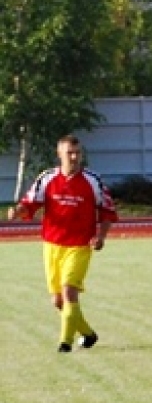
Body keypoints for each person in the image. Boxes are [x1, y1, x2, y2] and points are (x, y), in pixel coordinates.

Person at [8, 135, 118, 352]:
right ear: (59, 154)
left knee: (69, 292)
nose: (75, 157)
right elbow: (30, 203)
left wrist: (101, 236)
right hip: (52, 246)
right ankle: (88, 334)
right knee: (58, 301)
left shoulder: (93, 181)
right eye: (70, 153)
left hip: (79, 246)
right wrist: (17, 211)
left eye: (78, 152)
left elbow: (107, 211)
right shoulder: (47, 178)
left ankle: (65, 343)